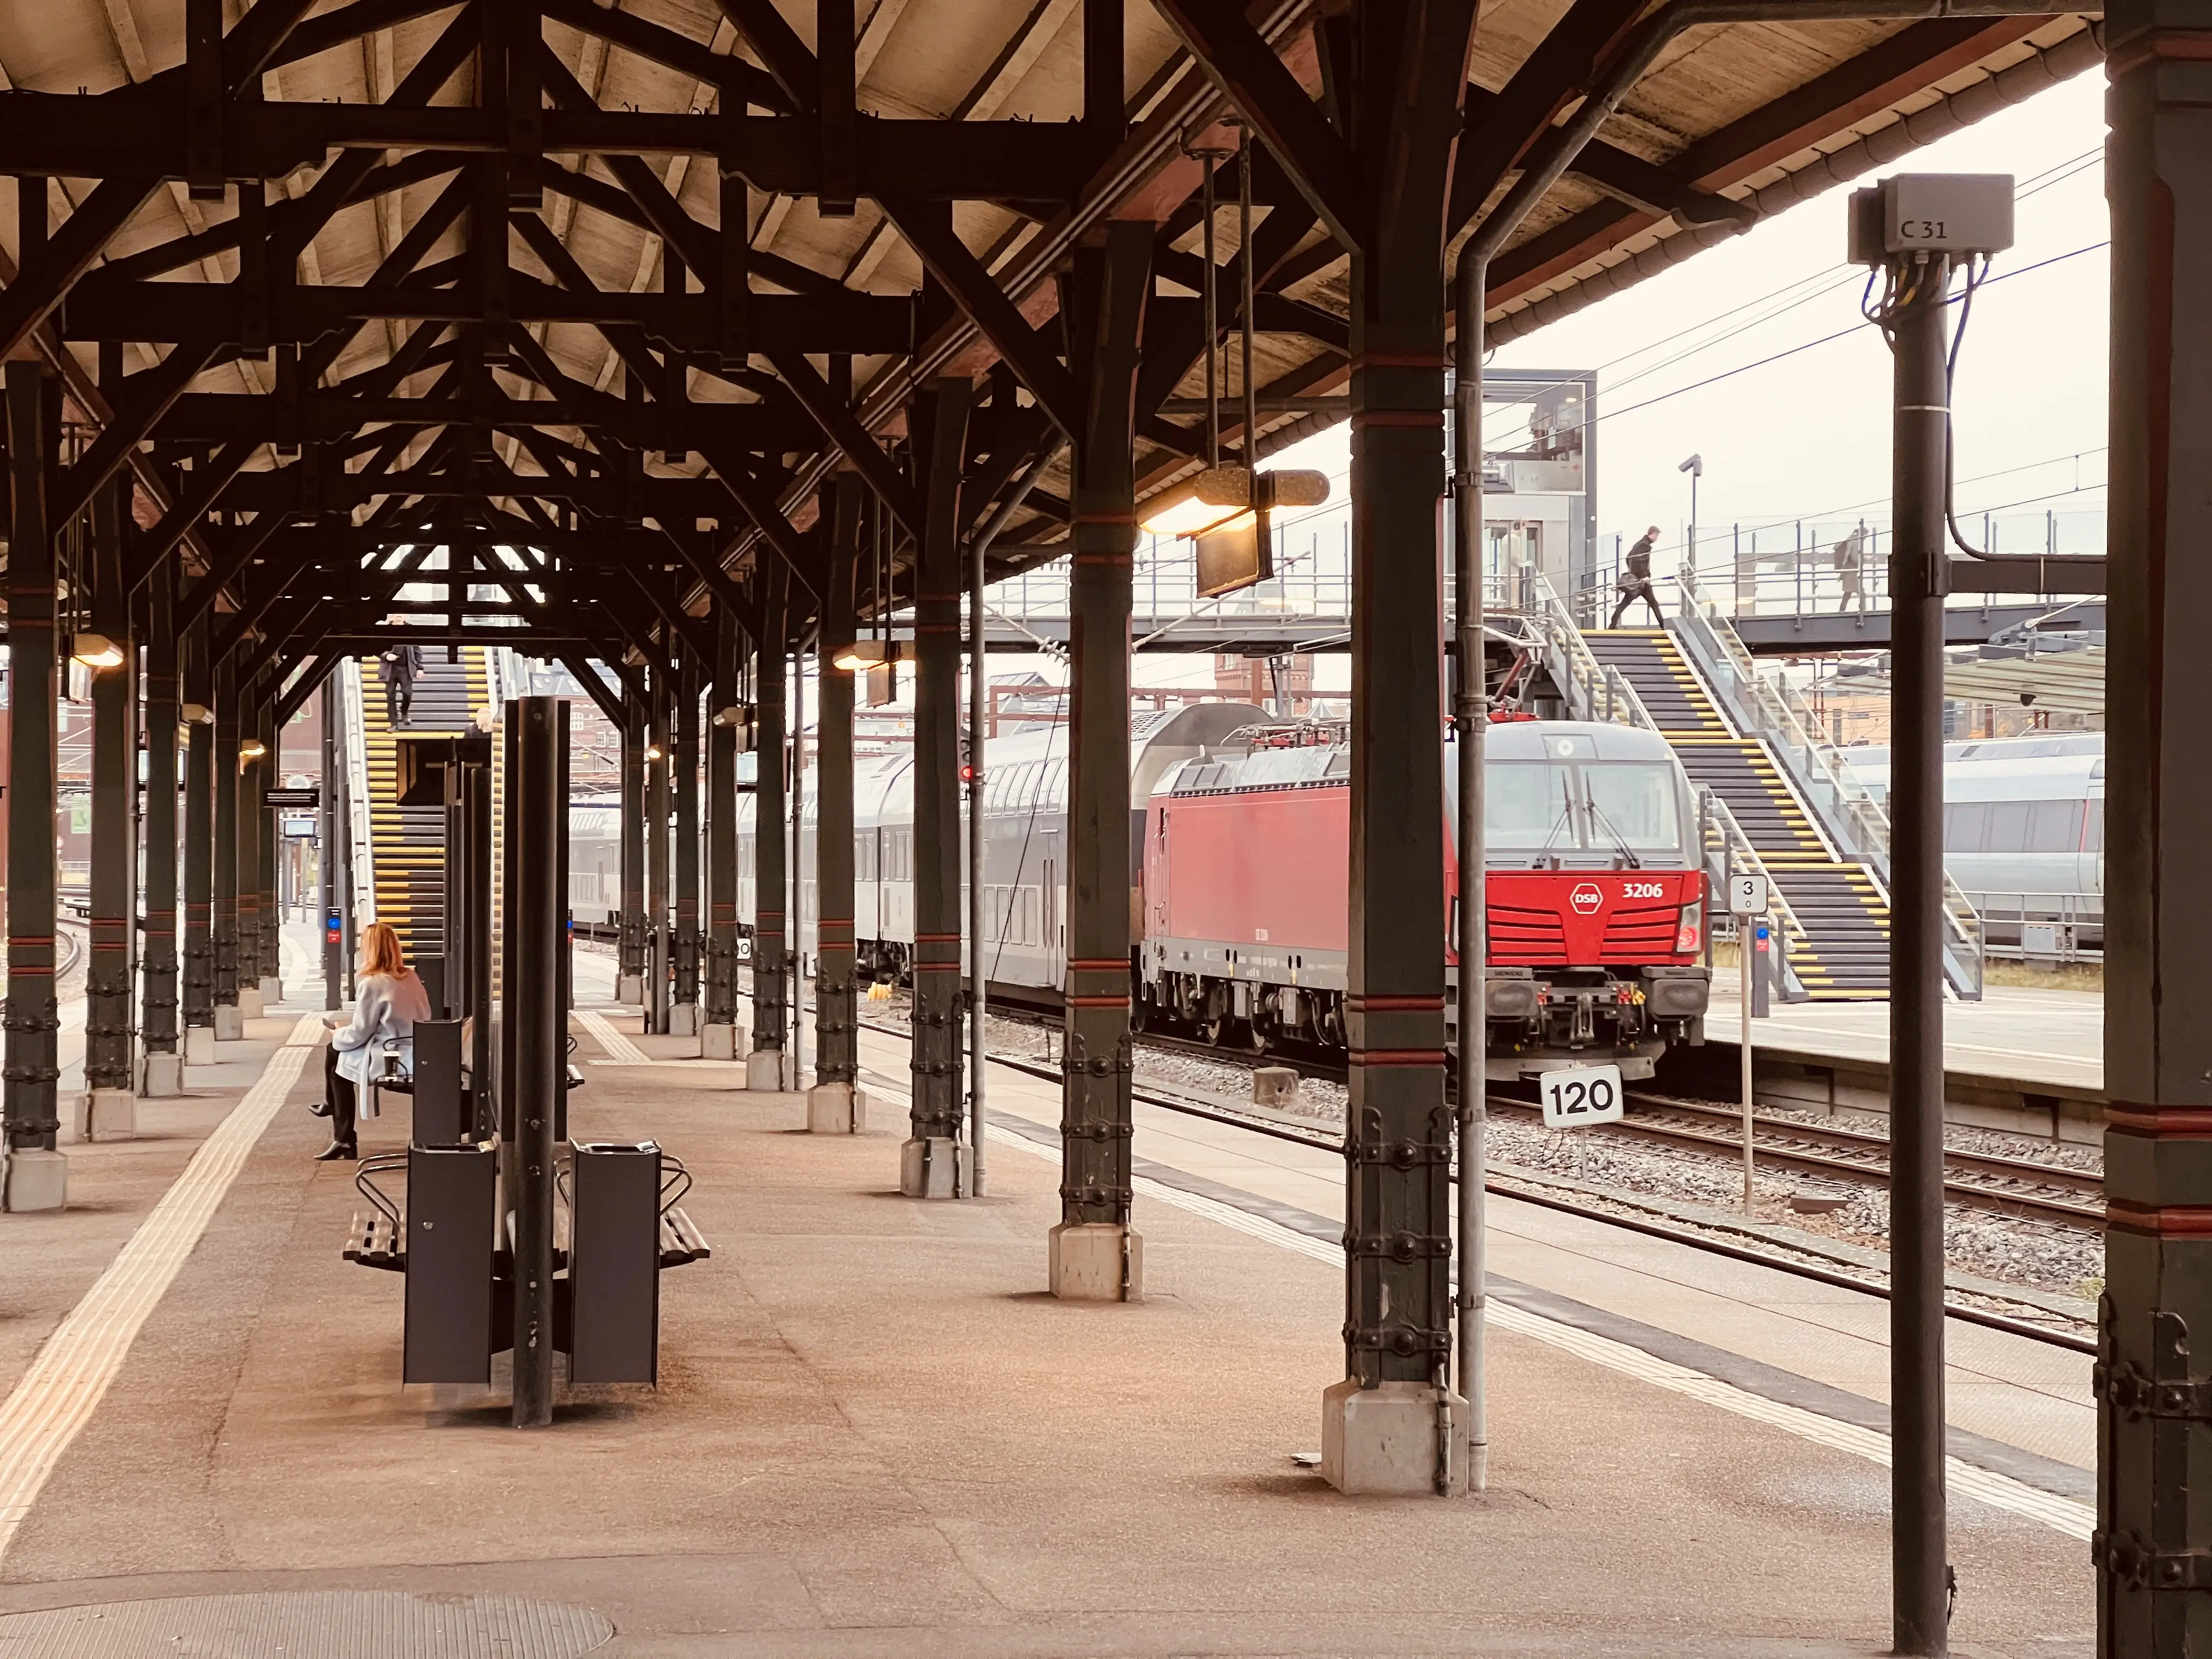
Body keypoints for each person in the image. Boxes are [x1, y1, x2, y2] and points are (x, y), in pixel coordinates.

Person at [317, 921, 432, 1161]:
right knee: (336, 1056)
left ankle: (343, 1135)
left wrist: (338, 1032)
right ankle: (334, 1115)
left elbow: (361, 1032)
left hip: (393, 1056)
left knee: (335, 1055)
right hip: (419, 1049)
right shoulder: (410, 977)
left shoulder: (372, 983)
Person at [1609, 524, 1663, 627]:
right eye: (1657, 535)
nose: (1657, 538)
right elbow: (1642, 562)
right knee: (1653, 603)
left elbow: (1629, 558)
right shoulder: (1645, 546)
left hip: (1636, 581)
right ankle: (1663, 625)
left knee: (1626, 602)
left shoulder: (1639, 544)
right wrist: (1644, 576)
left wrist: (1632, 572)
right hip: (1641, 582)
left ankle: (1613, 623)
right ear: (1653, 534)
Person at [379, 640, 424, 728]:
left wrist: (420, 668)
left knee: (408, 693)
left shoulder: (409, 631)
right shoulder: (386, 631)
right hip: (390, 669)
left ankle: (404, 711)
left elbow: (417, 652)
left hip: (405, 669)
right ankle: (394, 723)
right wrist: (387, 655)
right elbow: (378, 649)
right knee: (391, 696)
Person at [1833, 520, 1870, 614]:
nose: (1866, 538)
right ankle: (1862, 612)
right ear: (1863, 534)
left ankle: (1842, 611)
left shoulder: (1853, 540)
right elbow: (1848, 554)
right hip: (1850, 569)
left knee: (1848, 593)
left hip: (1850, 570)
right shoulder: (1855, 540)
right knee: (1861, 594)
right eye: (1866, 536)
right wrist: (1843, 568)